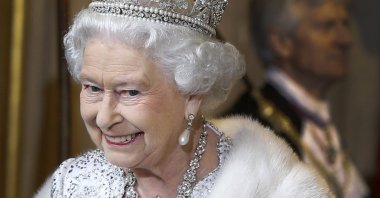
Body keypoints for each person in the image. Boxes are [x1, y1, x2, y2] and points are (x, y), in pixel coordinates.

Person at [34, 0, 331, 197]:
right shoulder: (71, 185)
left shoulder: (274, 189)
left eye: (130, 92)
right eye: (93, 88)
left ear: (192, 94)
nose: (103, 118)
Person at [225, 0, 369, 197]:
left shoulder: (318, 121)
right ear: (282, 43)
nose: (346, 39)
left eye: (345, 24)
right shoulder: (252, 125)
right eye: (327, 26)